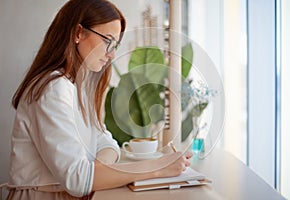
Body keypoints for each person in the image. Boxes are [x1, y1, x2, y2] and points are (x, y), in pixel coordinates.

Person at [7, 0, 192, 199]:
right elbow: (78, 180)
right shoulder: (54, 88)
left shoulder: (77, 87)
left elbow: (106, 143)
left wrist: (94, 171)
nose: (111, 54)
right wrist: (158, 167)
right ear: (78, 33)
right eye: (108, 41)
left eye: (115, 46)